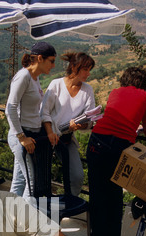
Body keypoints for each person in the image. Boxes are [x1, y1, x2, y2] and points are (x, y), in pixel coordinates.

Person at [86, 67, 146, 236]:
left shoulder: (115, 92)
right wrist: (138, 128)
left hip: (97, 140)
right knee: (114, 193)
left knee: (97, 193)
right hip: (119, 146)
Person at [5, 42, 56, 199]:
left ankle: (10, 217)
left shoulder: (35, 78)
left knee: (19, 180)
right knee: (32, 183)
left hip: (30, 135)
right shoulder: (23, 77)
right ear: (40, 58)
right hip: (22, 136)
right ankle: (27, 221)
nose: (53, 66)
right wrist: (22, 138)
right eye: (52, 61)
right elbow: (10, 108)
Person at [41, 52, 95, 196]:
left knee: (77, 176)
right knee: (41, 176)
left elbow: (90, 119)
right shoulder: (56, 85)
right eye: (85, 69)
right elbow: (44, 112)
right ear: (74, 66)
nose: (88, 74)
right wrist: (50, 133)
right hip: (47, 136)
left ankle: (69, 204)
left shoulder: (88, 90)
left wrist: (80, 125)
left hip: (66, 138)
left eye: (90, 70)